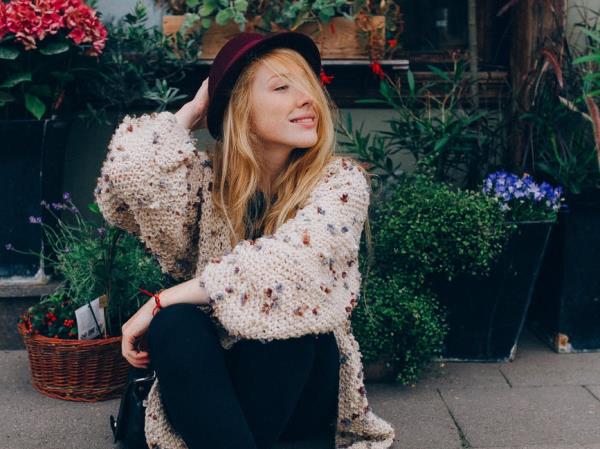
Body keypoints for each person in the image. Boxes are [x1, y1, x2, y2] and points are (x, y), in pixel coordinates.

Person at [94, 31, 395, 449]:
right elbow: (126, 178)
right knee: (176, 326)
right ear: (241, 108)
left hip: (300, 381)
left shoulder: (340, 182)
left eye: (308, 85)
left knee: (285, 322)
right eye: (282, 87)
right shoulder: (206, 184)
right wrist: (195, 109)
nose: (307, 98)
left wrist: (160, 299)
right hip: (222, 378)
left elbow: (288, 266)